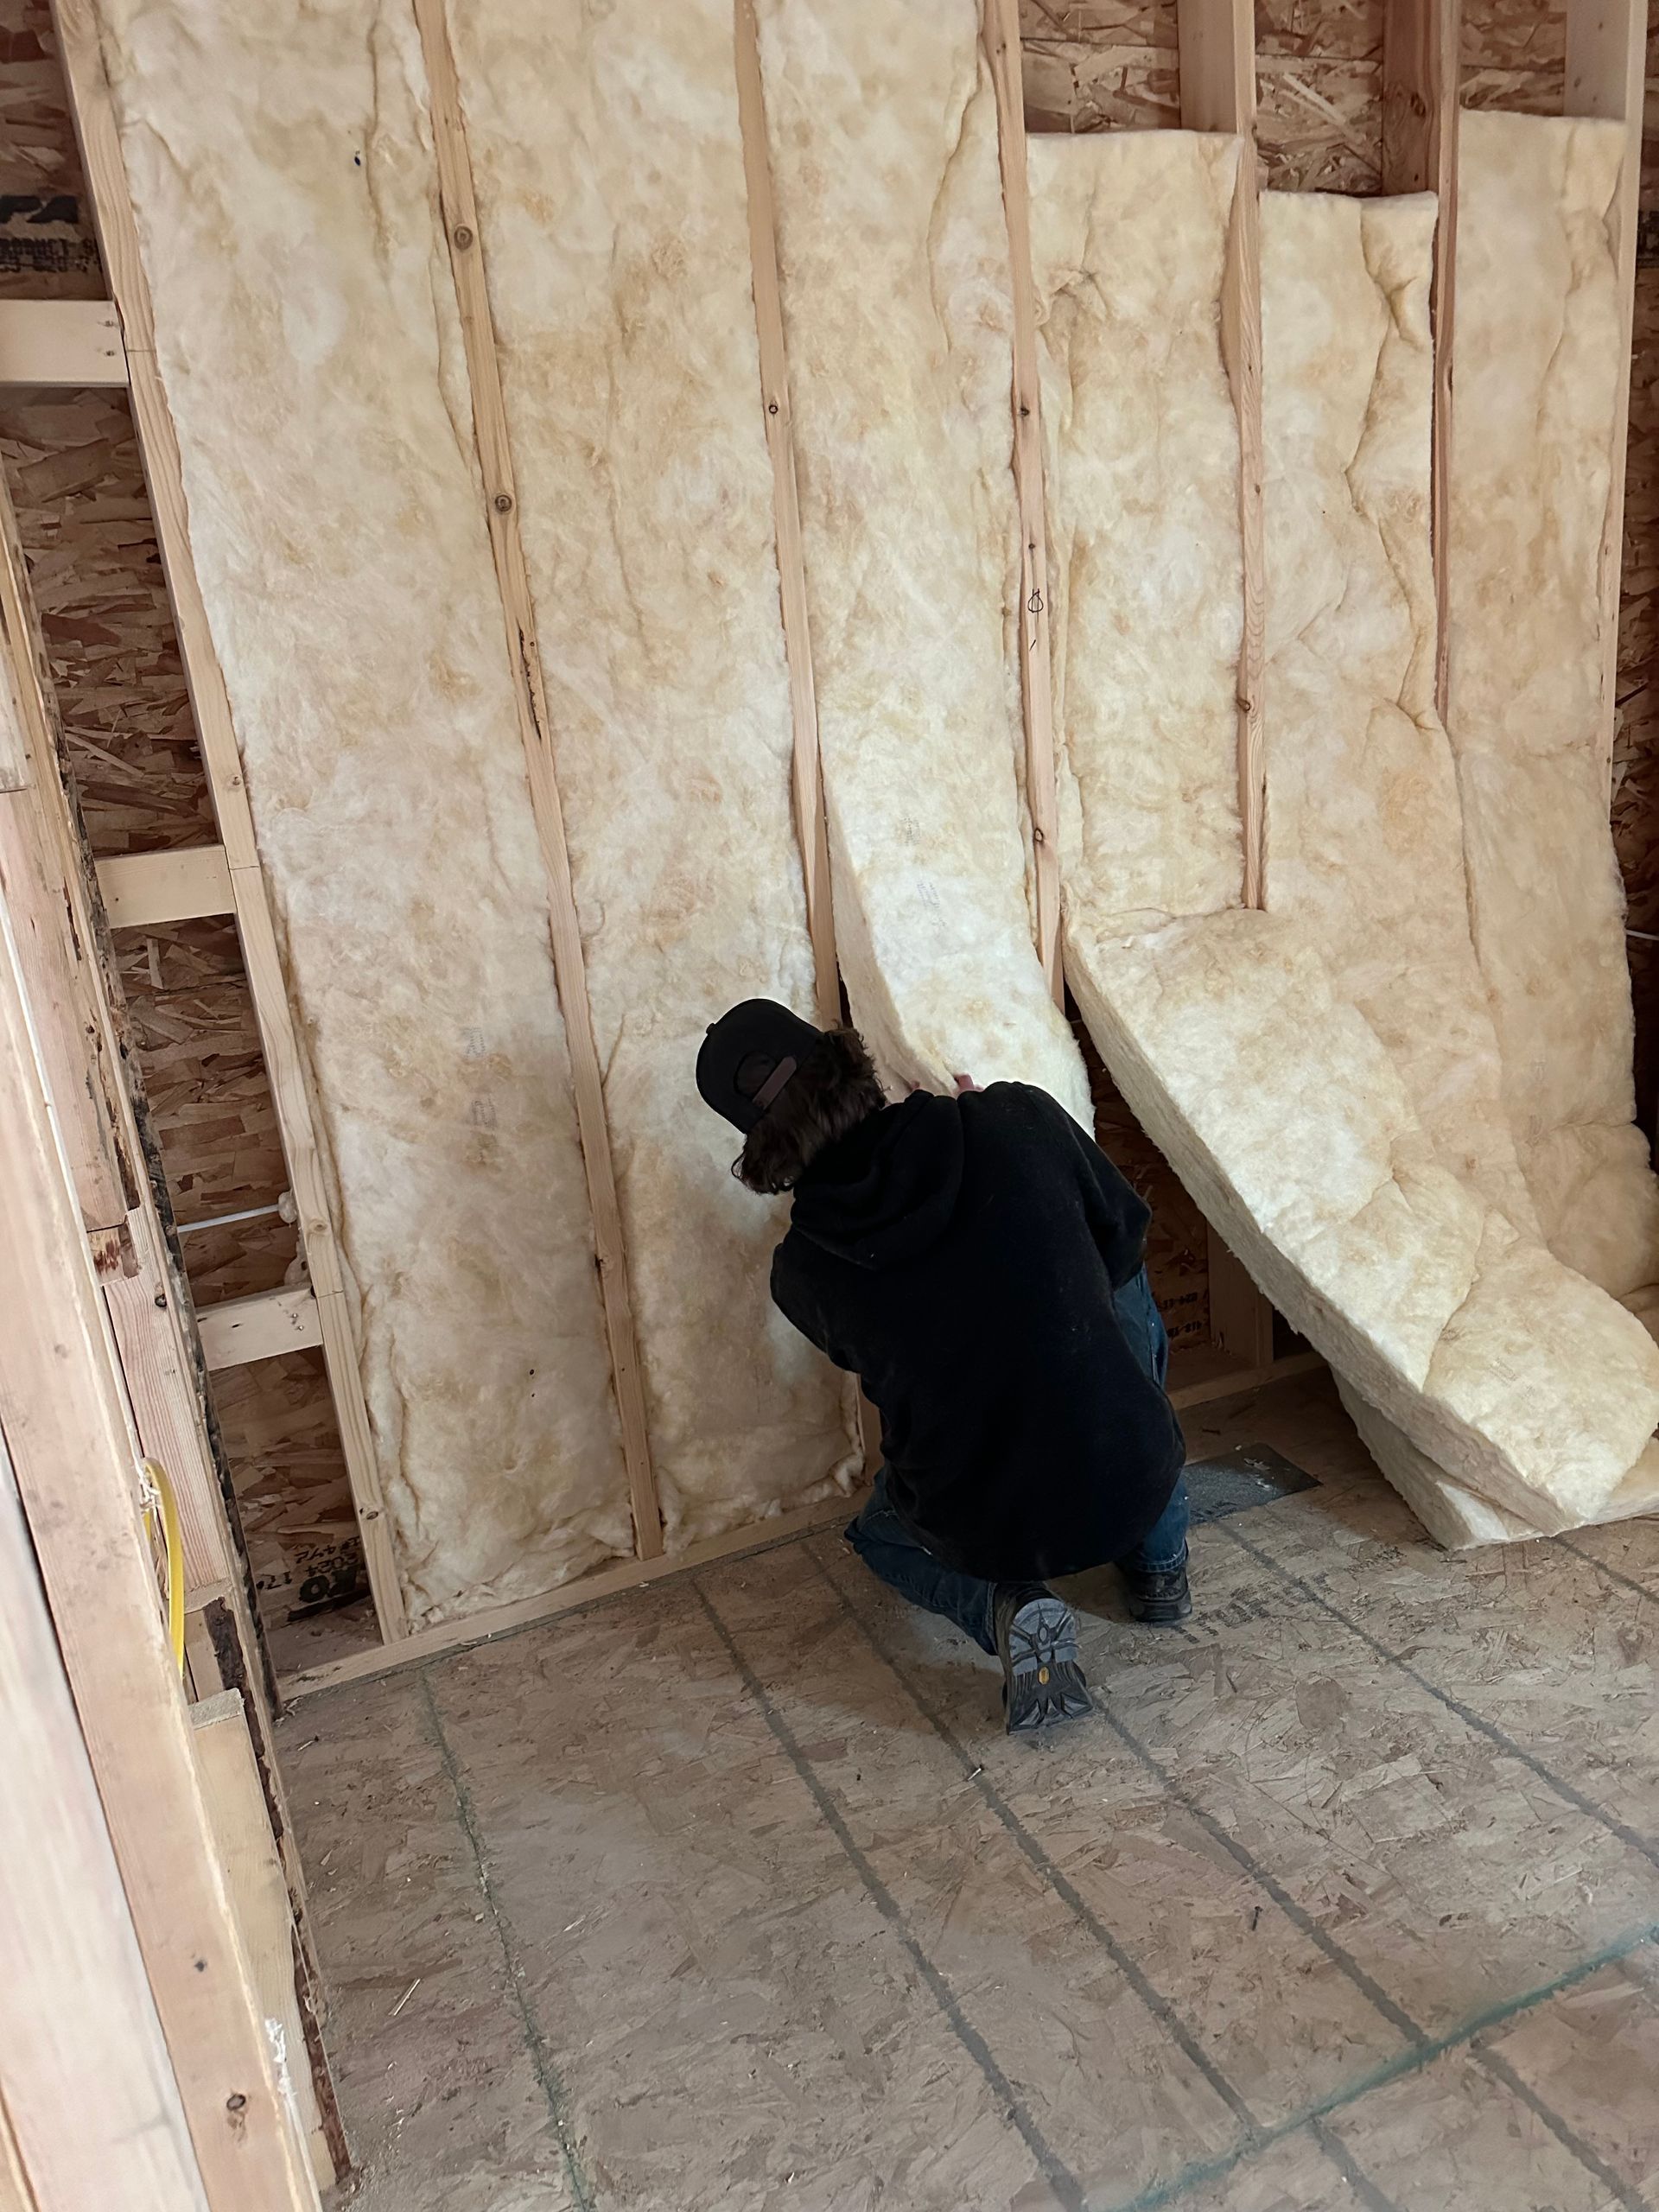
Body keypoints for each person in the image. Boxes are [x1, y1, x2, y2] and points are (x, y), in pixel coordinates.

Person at [696, 999, 1192, 1734]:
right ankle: (1159, 1563)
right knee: (1113, 1264)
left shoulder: (801, 1273)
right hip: (1132, 1474)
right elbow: (1124, 1234)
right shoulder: (1016, 1117)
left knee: (878, 1532)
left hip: (984, 1524)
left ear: (761, 1145)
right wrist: (998, 1135)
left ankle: (1004, 1603)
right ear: (846, 1063)